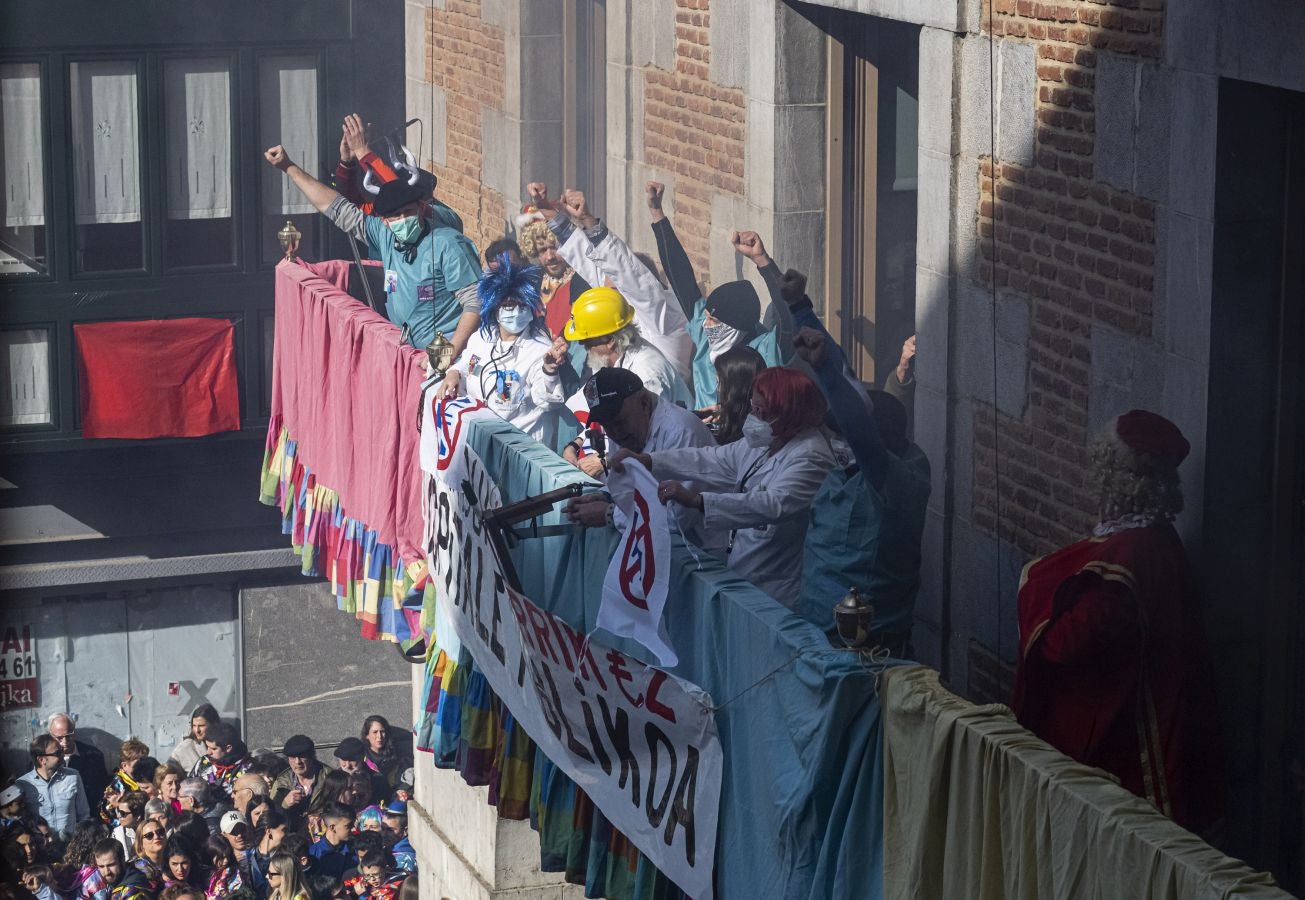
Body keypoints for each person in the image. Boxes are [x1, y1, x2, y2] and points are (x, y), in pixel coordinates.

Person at [1011, 410, 1225, 833]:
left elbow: (1067, 645)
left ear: (1116, 478)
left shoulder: (1133, 554)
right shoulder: (1156, 538)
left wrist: (1037, 591)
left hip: (1123, 743)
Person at [610, 366, 835, 606]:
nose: (754, 417)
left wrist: (699, 501)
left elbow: (773, 504)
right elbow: (710, 460)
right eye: (753, 407)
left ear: (789, 414)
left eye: (762, 412)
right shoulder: (765, 441)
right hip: (744, 574)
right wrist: (650, 461)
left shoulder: (811, 455)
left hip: (778, 586)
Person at [264, 115, 483, 360]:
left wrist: (450, 352)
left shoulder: (447, 237)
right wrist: (289, 166)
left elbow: (475, 301)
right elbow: (336, 207)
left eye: (407, 212)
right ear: (385, 220)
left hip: (450, 356)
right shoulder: (383, 233)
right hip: (409, 354)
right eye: (394, 216)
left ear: (421, 207)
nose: (402, 219)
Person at [791, 319, 932, 655]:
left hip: (864, 651)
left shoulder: (897, 481)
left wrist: (824, 365)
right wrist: (802, 312)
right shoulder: (848, 471)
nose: (841, 444)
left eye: (847, 438)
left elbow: (861, 428)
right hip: (813, 635)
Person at [528, 185, 694, 399]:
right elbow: (590, 265)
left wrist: (589, 220)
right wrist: (550, 213)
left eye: (615, 290)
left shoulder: (661, 320)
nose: (607, 295)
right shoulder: (618, 313)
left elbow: (627, 273)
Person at [645, 182, 794, 411]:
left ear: (735, 325)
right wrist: (657, 212)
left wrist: (762, 260)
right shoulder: (707, 337)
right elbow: (682, 280)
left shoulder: (767, 349)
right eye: (705, 317)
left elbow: (789, 311)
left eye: (713, 320)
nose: (706, 325)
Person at [563, 368, 716, 546]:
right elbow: (625, 484)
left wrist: (610, 514)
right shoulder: (623, 429)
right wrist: (604, 496)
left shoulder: (681, 431)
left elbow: (678, 518)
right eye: (607, 425)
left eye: (618, 422)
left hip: (706, 553)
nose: (615, 433)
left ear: (644, 403)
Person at [434, 253, 571, 447]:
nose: (515, 311)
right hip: (480, 444)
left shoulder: (540, 350)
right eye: (508, 305)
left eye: (522, 305)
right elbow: (467, 363)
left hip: (520, 451)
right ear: (495, 308)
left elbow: (548, 402)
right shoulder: (481, 338)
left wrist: (549, 371)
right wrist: (454, 372)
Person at [517, 216, 589, 336]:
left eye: (555, 248)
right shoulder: (532, 281)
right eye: (543, 250)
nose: (550, 257)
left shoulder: (583, 279)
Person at [18, 734, 90, 845]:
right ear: (42, 760)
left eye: (61, 750)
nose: (63, 755)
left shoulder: (73, 776)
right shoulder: (23, 785)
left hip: (71, 848)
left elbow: (84, 814)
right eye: (57, 753)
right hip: (41, 850)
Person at [49, 716, 110, 810]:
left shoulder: (94, 756)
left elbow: (102, 788)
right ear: (51, 736)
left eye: (69, 736)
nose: (65, 742)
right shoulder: (44, 758)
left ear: (74, 733)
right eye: (59, 738)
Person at [710, 346, 768, 445]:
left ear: (735, 387)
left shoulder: (753, 435)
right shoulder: (765, 420)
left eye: (719, 381)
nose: (718, 389)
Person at [270, 736, 325, 831]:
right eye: (292, 757)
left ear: (311, 756)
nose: (297, 762)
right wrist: (285, 804)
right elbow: (271, 815)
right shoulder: (282, 780)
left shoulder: (328, 777)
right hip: (294, 839)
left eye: (302, 756)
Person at [191, 723, 252, 806]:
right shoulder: (204, 762)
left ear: (228, 748)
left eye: (214, 748)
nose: (208, 752)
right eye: (207, 746)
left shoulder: (247, 768)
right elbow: (188, 786)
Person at [101, 740, 149, 824]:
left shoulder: (144, 779)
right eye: (138, 763)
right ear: (125, 766)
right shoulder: (117, 786)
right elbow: (105, 814)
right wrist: (118, 804)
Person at [218, 812, 266, 894]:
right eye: (233, 832)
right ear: (224, 834)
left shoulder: (260, 854)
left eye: (242, 829)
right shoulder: (222, 862)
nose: (239, 835)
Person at [307, 805, 356, 881]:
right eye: (348, 826)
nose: (354, 829)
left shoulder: (356, 848)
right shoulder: (313, 854)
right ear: (332, 827)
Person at [358, 718, 407, 794]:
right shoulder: (361, 756)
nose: (379, 736)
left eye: (382, 732)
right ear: (367, 735)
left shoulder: (396, 754)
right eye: (375, 732)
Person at [169, 706, 219, 776]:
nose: (197, 730)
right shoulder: (184, 748)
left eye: (201, 725)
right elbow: (168, 773)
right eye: (194, 725)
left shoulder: (224, 745)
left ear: (213, 724)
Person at [200, 833, 242, 899]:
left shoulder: (233, 873)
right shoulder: (201, 876)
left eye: (228, 856)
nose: (226, 860)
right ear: (210, 856)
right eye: (221, 857)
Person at [378, 803, 413, 875]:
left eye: (390, 830)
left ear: (405, 831)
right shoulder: (386, 849)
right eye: (383, 828)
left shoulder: (405, 859)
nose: (384, 834)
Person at [110, 792, 147, 858]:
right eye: (118, 811)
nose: (118, 816)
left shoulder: (152, 832)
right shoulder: (117, 833)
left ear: (138, 816)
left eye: (122, 813)